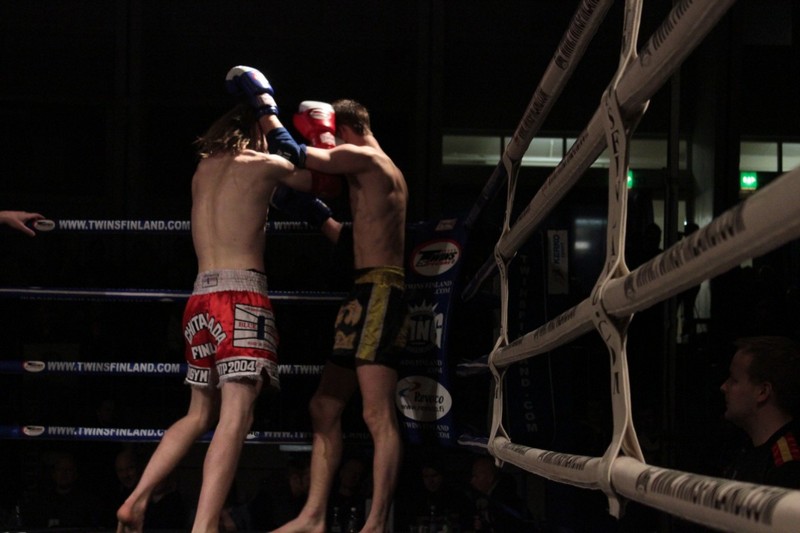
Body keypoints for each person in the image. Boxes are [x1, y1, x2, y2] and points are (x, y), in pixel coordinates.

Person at [116, 80, 311, 532]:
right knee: (237, 416)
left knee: (198, 412)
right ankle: (204, 527)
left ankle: (137, 499)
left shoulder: (202, 169)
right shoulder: (263, 164)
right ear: (257, 129)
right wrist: (272, 118)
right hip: (241, 296)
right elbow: (309, 175)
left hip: (199, 298)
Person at [226, 66, 408, 533]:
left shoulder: (367, 160)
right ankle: (313, 517)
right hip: (362, 292)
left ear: (343, 129)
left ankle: (376, 522)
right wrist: (313, 213)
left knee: (375, 413)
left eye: (329, 136)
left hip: (381, 291)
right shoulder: (366, 175)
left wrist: (264, 107)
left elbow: (293, 153)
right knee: (324, 406)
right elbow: (351, 240)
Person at [720, 336, 800, 488]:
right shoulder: (744, 448)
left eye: (734, 380)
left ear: (762, 391)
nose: (723, 387)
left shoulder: (787, 467)